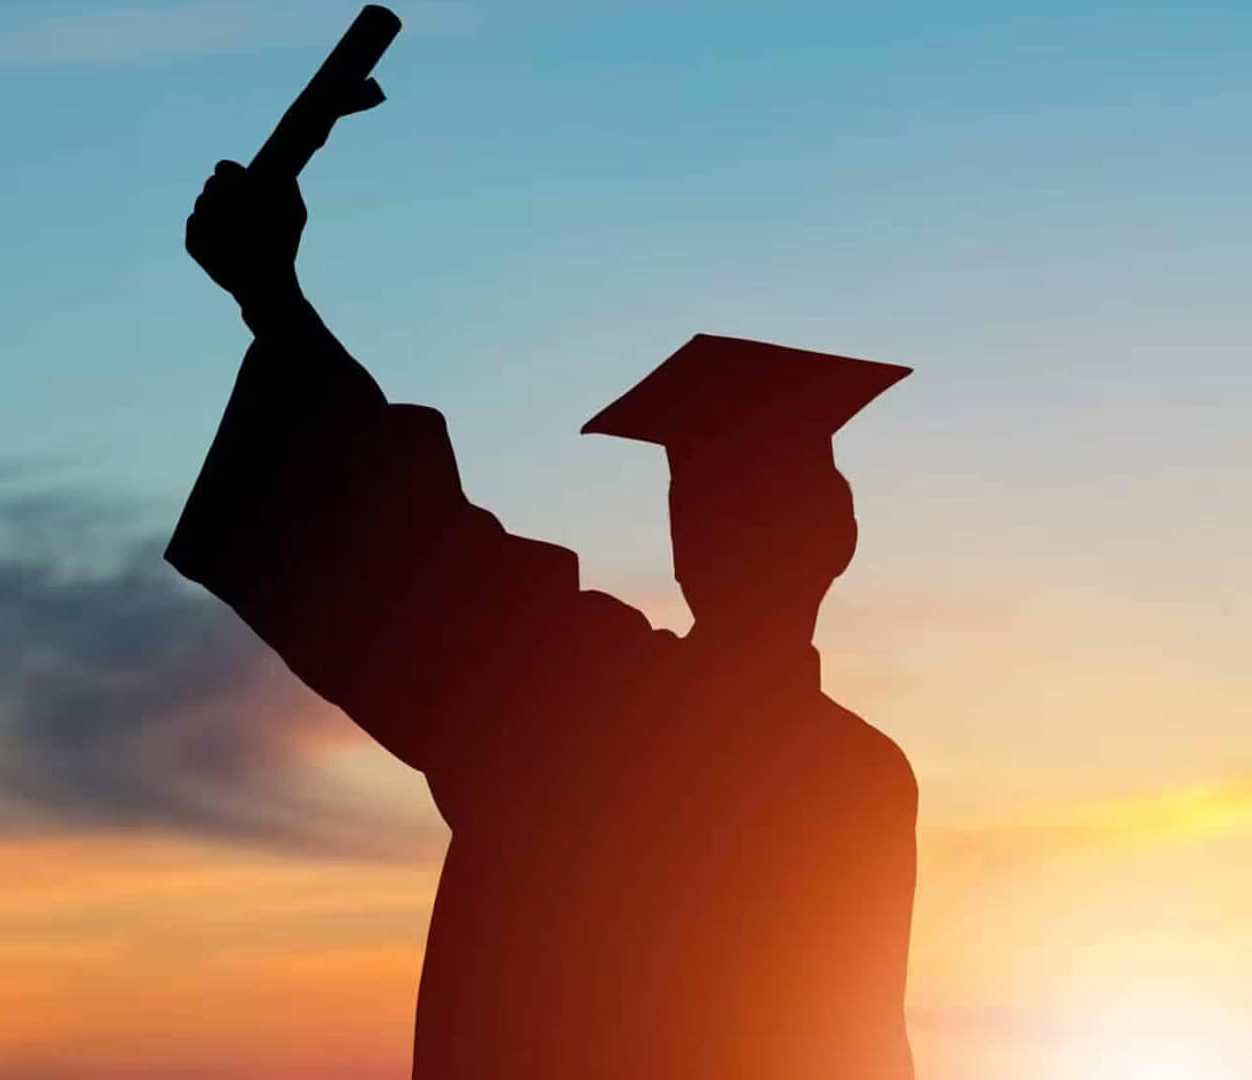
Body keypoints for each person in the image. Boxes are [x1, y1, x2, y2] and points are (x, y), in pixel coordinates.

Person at [166, 160, 919, 1079]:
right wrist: (273, 298)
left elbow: (397, 539)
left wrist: (273, 294)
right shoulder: (865, 777)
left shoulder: (578, 698)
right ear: (839, 534)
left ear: (690, 541)